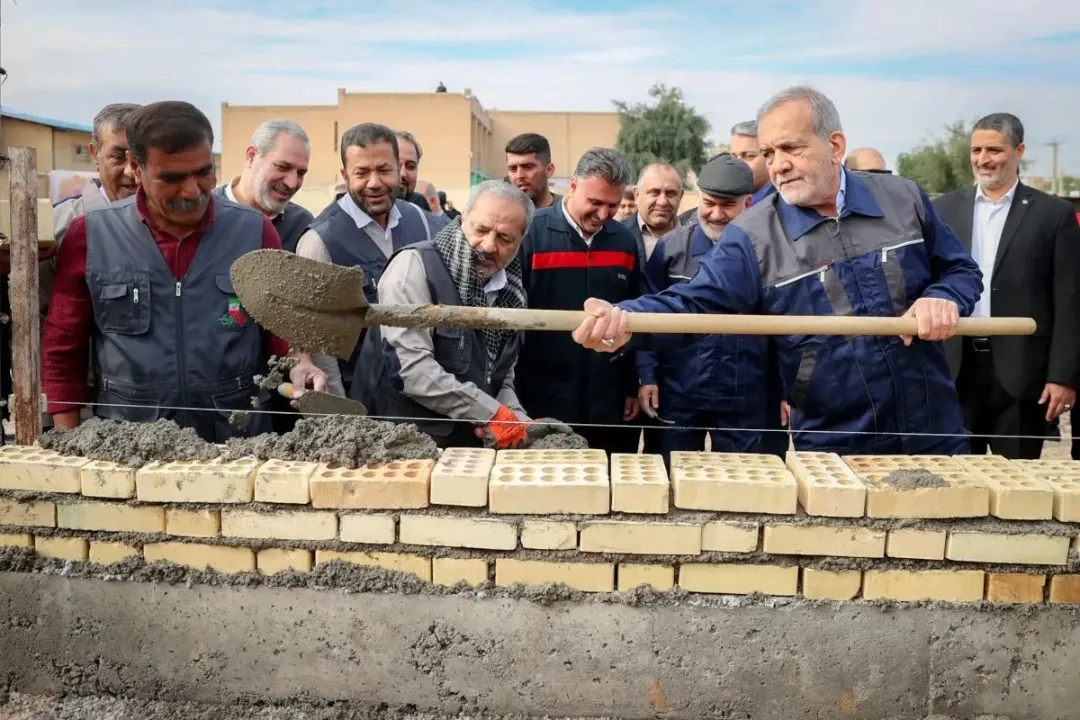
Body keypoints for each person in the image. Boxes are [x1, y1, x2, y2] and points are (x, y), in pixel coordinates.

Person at [570, 86, 983, 456]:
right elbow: (694, 302)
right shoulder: (752, 236)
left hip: (933, 424)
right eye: (769, 154)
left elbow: (961, 270)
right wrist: (626, 321)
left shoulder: (903, 197)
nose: (778, 165)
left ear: (835, 144)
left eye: (791, 148)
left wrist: (943, 297)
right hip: (833, 436)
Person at [41, 101, 325, 442]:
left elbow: (281, 326)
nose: (192, 191)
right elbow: (62, 348)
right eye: (172, 178)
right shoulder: (90, 236)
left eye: (204, 173)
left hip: (236, 441)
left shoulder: (255, 232)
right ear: (136, 166)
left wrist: (301, 362)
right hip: (127, 443)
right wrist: (68, 440)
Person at [357, 181, 557, 448]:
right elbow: (411, 370)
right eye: (481, 230)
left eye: (505, 238)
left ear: (521, 241)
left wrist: (518, 421)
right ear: (463, 219)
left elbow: (500, 378)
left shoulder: (512, 290)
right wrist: (492, 413)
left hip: (464, 453)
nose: (487, 245)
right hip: (399, 447)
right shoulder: (414, 267)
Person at [934, 113, 1080, 459]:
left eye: (994, 150)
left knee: (1017, 487)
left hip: (1022, 374)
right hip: (955, 368)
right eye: (976, 150)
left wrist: (1063, 377)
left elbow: (1070, 301)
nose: (983, 159)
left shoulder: (1053, 215)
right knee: (955, 480)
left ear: (1019, 151)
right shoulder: (942, 210)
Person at [637, 154, 769, 462]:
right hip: (677, 389)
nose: (716, 214)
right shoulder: (670, 248)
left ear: (748, 204)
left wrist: (784, 392)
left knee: (742, 481)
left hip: (745, 392)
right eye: (709, 203)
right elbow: (647, 313)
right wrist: (648, 376)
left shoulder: (767, 252)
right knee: (671, 478)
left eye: (728, 205)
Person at [296, 122, 439, 397]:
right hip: (362, 403)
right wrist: (344, 418)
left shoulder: (421, 222)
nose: (375, 183)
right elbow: (320, 347)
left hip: (425, 400)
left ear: (399, 168)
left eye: (384, 170)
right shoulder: (320, 242)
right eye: (362, 173)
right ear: (345, 175)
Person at [516, 147, 642, 453]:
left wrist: (630, 387)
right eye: (595, 203)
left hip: (607, 397)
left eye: (612, 206)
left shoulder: (624, 241)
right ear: (572, 185)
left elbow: (636, 313)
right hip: (540, 395)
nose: (603, 215)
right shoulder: (530, 233)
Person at [212, 119, 315, 253]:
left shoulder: (302, 226)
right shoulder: (204, 214)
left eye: (301, 173)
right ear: (252, 156)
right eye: (282, 167)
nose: (292, 183)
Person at [625, 162, 683, 268]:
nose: (662, 202)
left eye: (671, 193)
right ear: (637, 195)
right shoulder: (616, 237)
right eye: (654, 192)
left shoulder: (695, 239)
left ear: (681, 196)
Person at [505, 133, 560, 209]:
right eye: (513, 169)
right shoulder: (500, 213)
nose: (519, 176)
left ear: (549, 170)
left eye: (528, 167)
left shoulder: (569, 212)